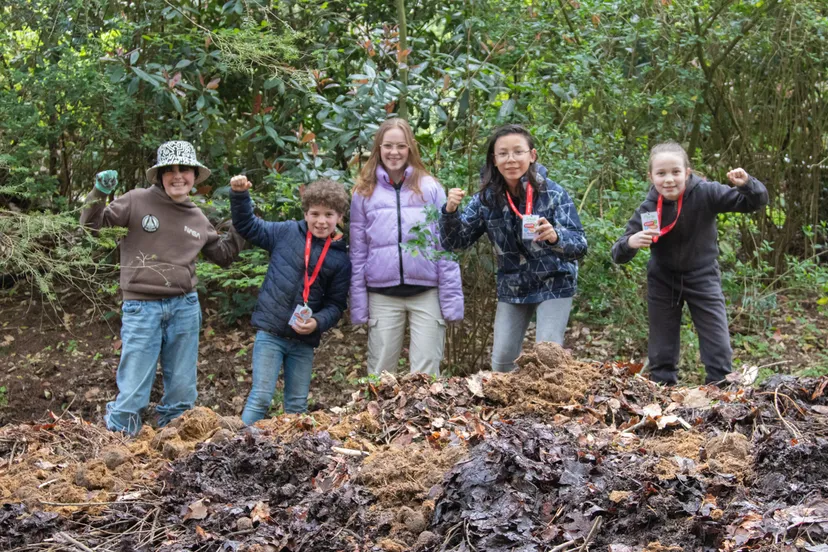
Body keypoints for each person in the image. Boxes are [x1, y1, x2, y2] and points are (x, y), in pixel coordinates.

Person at [80, 140, 245, 435]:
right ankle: (119, 442)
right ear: (159, 175)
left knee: (182, 391)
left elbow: (224, 255)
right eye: (170, 170)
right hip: (141, 307)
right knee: (133, 389)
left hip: (184, 307)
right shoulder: (136, 201)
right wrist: (99, 193)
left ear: (195, 175)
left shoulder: (197, 217)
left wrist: (243, 218)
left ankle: (173, 446)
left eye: (185, 169)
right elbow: (93, 228)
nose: (178, 175)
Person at [611, 141, 769, 385]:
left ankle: (719, 393)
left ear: (687, 172)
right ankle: (663, 394)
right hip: (663, 280)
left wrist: (748, 184)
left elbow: (755, 202)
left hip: (702, 276)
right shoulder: (649, 208)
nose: (669, 180)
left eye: (675, 172)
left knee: (717, 343)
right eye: (661, 173)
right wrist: (630, 242)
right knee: (661, 347)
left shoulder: (706, 192)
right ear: (651, 176)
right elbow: (618, 254)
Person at [440, 124, 587, 372]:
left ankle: (552, 409)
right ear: (494, 160)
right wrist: (450, 212)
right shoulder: (486, 199)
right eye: (503, 153)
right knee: (502, 362)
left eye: (518, 152)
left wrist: (555, 237)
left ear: (532, 155)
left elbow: (580, 244)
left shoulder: (553, 193)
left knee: (548, 358)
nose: (511, 159)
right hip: (513, 285)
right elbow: (456, 243)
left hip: (555, 281)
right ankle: (509, 410)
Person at [229, 175, 350, 424]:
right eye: (315, 213)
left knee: (296, 404)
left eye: (329, 215)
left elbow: (336, 305)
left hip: (303, 341)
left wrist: (317, 322)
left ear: (340, 217)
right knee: (261, 398)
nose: (321, 221)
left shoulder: (340, 257)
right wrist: (240, 196)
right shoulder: (285, 232)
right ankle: (238, 446)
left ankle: (292, 456)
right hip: (271, 334)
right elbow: (247, 225)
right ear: (305, 213)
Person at [349, 118, 463, 376]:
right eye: (388, 145)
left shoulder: (430, 187)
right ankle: (376, 417)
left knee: (426, 377)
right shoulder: (363, 192)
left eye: (401, 146)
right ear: (378, 148)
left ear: (410, 148)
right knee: (380, 376)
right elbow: (357, 252)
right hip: (382, 295)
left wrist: (452, 301)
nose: (394, 152)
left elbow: (445, 246)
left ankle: (426, 417)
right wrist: (358, 304)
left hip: (426, 292)